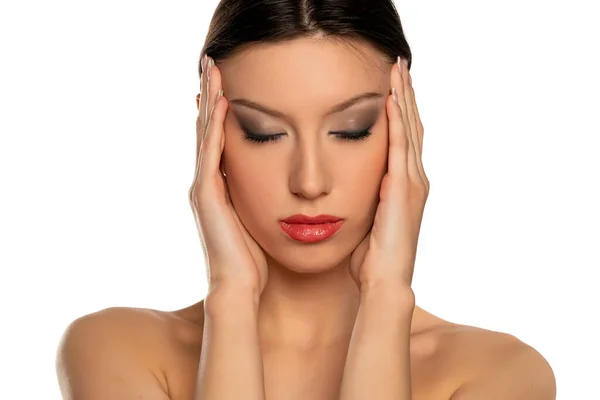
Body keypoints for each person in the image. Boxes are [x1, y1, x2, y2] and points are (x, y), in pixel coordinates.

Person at [55, 0, 556, 399]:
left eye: (351, 129)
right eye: (264, 132)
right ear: (211, 132)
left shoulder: (498, 374)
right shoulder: (115, 349)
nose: (310, 182)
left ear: (407, 128)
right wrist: (231, 297)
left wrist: (386, 294)